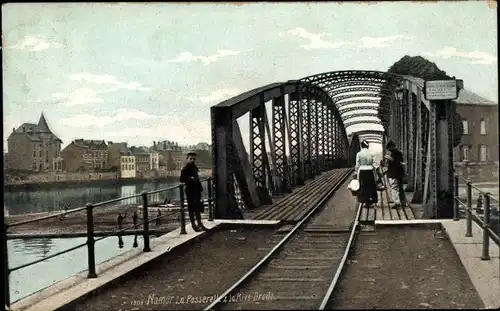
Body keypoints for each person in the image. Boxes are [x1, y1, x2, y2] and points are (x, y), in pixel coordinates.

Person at [180, 152, 207, 232]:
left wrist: (200, 188)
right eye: (190, 159)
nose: (192, 160)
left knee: (197, 208)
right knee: (191, 208)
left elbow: (197, 179)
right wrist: (190, 178)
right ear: (187, 159)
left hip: (196, 190)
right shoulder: (185, 169)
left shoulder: (194, 167)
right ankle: (194, 225)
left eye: (194, 159)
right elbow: (181, 179)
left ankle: (199, 224)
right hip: (190, 190)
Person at [354, 140, 378, 207]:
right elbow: (375, 163)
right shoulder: (371, 153)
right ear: (368, 146)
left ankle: (365, 200)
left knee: (363, 186)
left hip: (362, 171)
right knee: (371, 185)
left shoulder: (359, 154)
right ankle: (371, 199)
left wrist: (356, 173)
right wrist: (377, 170)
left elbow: (357, 164)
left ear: (361, 146)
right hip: (370, 171)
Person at [384, 140, 407, 208]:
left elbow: (395, 163)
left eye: (389, 148)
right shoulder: (399, 152)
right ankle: (403, 202)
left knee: (394, 187)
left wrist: (390, 160)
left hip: (395, 173)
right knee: (400, 188)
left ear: (391, 147)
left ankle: (397, 203)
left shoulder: (394, 153)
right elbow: (400, 162)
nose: (389, 150)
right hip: (400, 173)